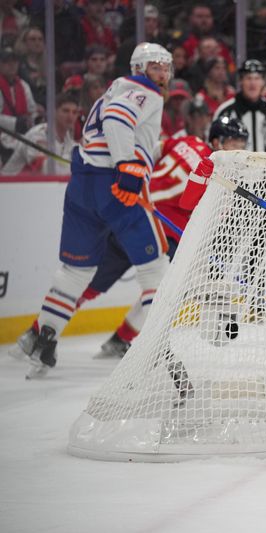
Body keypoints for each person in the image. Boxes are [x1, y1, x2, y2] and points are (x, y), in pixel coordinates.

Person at [9, 43, 172, 379]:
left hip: (83, 186)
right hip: (116, 185)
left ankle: (44, 340)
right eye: (155, 66)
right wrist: (128, 165)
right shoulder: (145, 91)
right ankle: (159, 350)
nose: (162, 73)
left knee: (75, 272)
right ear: (139, 68)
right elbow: (117, 120)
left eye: (166, 66)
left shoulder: (114, 89)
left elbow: (106, 123)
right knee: (157, 269)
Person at [82, 113, 247, 358]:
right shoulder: (220, 176)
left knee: (91, 282)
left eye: (242, 146)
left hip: (131, 212)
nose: (239, 150)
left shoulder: (188, 141)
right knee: (163, 292)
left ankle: (42, 327)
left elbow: (153, 151)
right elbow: (202, 216)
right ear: (217, 142)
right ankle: (127, 340)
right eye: (234, 144)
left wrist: (133, 177)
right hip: (163, 235)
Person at [213, 59, 266, 153]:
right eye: (248, 78)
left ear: (263, 82)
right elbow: (213, 142)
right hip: (234, 166)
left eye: (257, 78)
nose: (253, 83)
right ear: (241, 81)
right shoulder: (226, 110)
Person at [1, 91, 79, 175]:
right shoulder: (38, 135)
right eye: (65, 111)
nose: (71, 116)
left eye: (74, 112)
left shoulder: (69, 141)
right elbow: (45, 169)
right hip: (9, 185)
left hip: (38, 186)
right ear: (54, 112)